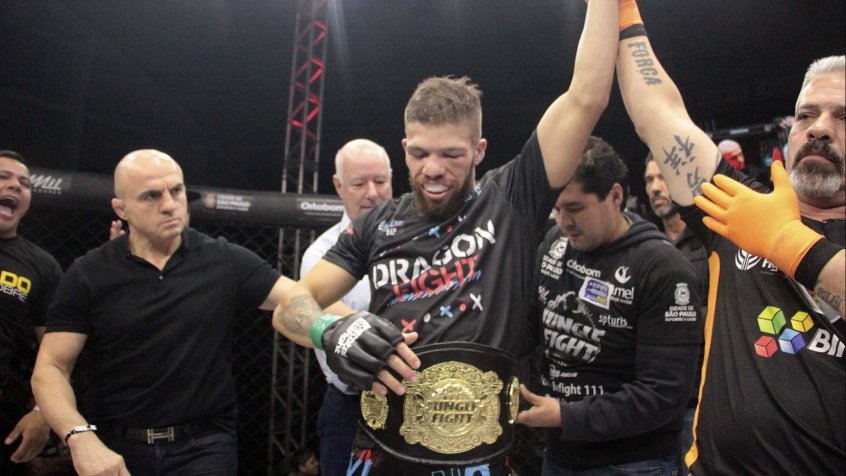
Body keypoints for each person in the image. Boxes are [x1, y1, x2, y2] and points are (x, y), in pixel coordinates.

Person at [271, 2, 620, 474]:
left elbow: (587, 97)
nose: (432, 169)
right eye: (419, 154)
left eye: (451, 155)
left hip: (476, 453)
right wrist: (331, 331)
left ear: (479, 150)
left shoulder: (510, 199)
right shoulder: (376, 224)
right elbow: (291, 306)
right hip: (381, 451)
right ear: (404, 149)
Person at [615, 2, 845, 473]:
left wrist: (786, 242)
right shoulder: (738, 206)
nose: (820, 128)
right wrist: (619, 8)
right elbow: (656, 111)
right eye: (807, 115)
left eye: (844, 117)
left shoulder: (757, 220)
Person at [30, 149, 352, 475]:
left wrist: (359, 327)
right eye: (151, 196)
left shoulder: (221, 259)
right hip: (116, 444)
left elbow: (300, 298)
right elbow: (51, 367)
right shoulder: (89, 273)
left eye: (177, 191)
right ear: (121, 209)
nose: (170, 204)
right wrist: (79, 437)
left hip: (204, 446)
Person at [516, 136, 702, 475]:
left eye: (575, 208)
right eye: (556, 209)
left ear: (615, 196)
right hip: (560, 454)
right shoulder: (555, 243)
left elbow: (664, 395)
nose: (563, 222)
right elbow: (528, 326)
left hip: (634, 463)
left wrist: (566, 416)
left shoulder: (663, 269)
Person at [300, 139, 392, 476]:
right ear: (339, 186)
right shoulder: (321, 255)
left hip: (416, 399)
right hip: (353, 404)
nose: (372, 193)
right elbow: (326, 320)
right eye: (359, 183)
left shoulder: (420, 242)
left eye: (380, 181)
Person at [644, 151, 708, 470]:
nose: (655, 187)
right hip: (656, 403)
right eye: (649, 180)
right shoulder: (646, 244)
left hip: (704, 398)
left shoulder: (711, 241)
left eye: (662, 178)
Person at [0, 150, 63, 473]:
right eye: (3, 177)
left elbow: (57, 352)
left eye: (24, 183)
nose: (15, 185)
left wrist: (43, 411)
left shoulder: (41, 266)